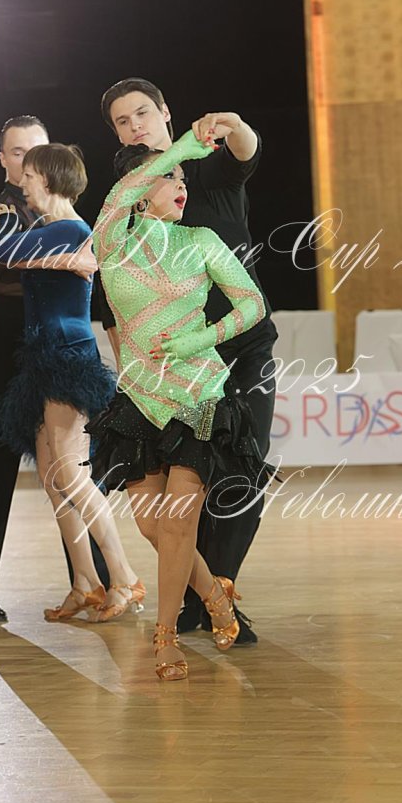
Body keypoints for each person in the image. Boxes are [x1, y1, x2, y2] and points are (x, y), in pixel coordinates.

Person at [87, 129, 274, 680]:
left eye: (183, 176)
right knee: (152, 527)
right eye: (169, 176)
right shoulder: (112, 241)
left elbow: (253, 306)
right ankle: (215, 594)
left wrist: (201, 339)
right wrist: (176, 150)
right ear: (140, 187)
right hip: (141, 400)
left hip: (198, 395)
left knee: (176, 524)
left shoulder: (201, 240)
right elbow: (117, 198)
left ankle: (165, 635)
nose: (181, 183)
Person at [0, 115, 109, 622]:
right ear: (3, 159)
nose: (28, 161)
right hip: (5, 335)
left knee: (73, 464)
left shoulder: (63, 211)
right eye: (18, 152)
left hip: (58, 338)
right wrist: (69, 258)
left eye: (37, 150)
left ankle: (96, 581)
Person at [0, 143, 144, 621]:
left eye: (30, 176)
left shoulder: (72, 229)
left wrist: (34, 249)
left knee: (72, 474)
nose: (24, 184)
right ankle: (85, 582)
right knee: (55, 480)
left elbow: (4, 252)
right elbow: (1, 255)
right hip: (42, 361)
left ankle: (125, 577)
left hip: (68, 361)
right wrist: (52, 260)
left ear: (51, 179)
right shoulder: (47, 232)